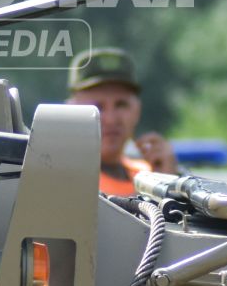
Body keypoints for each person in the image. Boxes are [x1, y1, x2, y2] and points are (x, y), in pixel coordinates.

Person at [63, 47, 177, 196]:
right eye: (98, 107)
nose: (111, 119)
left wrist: (169, 186)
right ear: (70, 112)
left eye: (121, 105)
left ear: (137, 110)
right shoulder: (61, 177)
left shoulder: (149, 175)